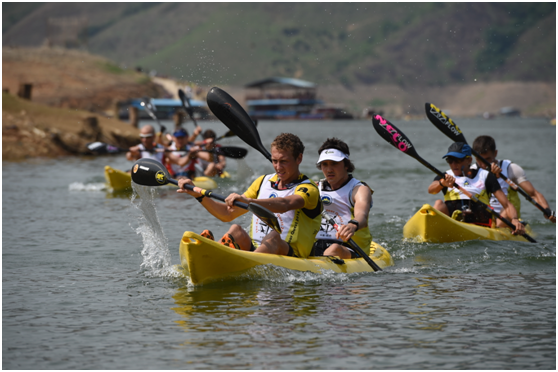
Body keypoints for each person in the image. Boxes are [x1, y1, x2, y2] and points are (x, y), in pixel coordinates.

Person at [177, 133, 323, 257]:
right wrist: (197, 194)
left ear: (299, 159)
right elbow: (226, 214)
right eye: (275, 161)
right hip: (257, 250)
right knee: (236, 229)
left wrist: (248, 201)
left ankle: (233, 259)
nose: (278, 167)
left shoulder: (308, 189)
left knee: (274, 237)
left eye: (284, 161)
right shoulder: (262, 182)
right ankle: (215, 254)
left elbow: (285, 204)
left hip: (290, 254)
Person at [428, 142, 525, 235]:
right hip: (453, 223)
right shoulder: (446, 176)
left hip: (481, 226)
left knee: (506, 213)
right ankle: (431, 230)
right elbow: (431, 190)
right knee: (438, 203)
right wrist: (442, 183)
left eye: (458, 160)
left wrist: (515, 220)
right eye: (450, 160)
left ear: (469, 160)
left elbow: (507, 205)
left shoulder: (485, 176)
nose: (453, 164)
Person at [312, 138, 374, 259]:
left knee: (334, 249)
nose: (329, 169)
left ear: (346, 164)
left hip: (351, 247)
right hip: (317, 244)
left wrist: (352, 225)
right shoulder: (314, 188)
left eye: (334, 163)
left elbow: (362, 215)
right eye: (325, 164)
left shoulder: (359, 190)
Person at [471, 135, 556, 224]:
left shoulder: (511, 169)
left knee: (502, 220)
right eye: (479, 159)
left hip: (507, 217)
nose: (483, 164)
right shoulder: (472, 171)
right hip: (484, 215)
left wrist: (547, 211)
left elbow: (533, 194)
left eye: (487, 159)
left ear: (495, 153)